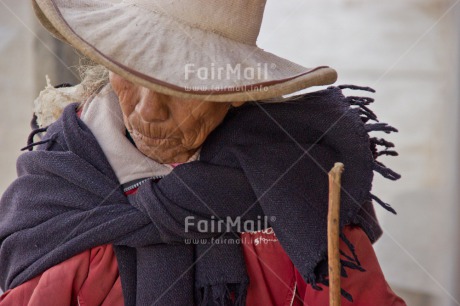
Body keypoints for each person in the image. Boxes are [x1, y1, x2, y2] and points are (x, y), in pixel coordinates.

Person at [0, 0, 406, 305]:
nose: (146, 110)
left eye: (178, 90)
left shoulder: (295, 191)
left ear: (234, 93)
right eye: (129, 73)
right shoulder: (56, 186)